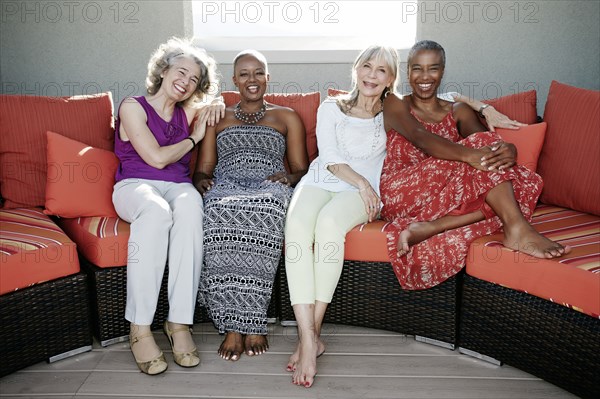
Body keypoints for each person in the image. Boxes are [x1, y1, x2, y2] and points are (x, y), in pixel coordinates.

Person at [380, 40, 570, 291]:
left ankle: (433, 226)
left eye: (433, 68)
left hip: (444, 194)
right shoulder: (395, 103)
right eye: (417, 68)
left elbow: (486, 144)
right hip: (402, 192)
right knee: (500, 167)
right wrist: (474, 156)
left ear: (443, 71)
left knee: (523, 180)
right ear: (408, 72)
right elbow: (421, 138)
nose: (424, 76)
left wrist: (508, 150)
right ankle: (516, 227)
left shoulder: (458, 110)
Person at [283, 45, 399, 388]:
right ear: (356, 69)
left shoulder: (394, 112)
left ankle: (309, 337)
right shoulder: (331, 107)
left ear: (391, 79)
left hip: (361, 195)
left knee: (329, 226)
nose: (372, 75)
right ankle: (309, 340)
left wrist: (481, 106)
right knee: (298, 227)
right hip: (324, 179)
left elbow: (444, 99)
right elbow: (330, 157)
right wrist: (362, 182)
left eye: (381, 70)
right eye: (367, 66)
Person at [112, 37, 224, 375]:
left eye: (194, 79)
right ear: (163, 70)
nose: (186, 81)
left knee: (191, 210)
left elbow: (215, 101)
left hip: (177, 186)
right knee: (157, 213)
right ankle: (140, 328)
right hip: (134, 186)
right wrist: (193, 138)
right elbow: (157, 158)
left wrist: (213, 101)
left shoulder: (186, 110)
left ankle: (178, 323)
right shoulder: (132, 106)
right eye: (181, 71)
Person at [194, 50, 308, 362]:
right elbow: (203, 168)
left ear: (268, 77)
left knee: (268, 210)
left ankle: (253, 320)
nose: (252, 79)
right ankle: (234, 326)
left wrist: (287, 177)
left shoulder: (287, 117)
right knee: (216, 213)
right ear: (234, 81)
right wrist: (203, 181)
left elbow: (302, 169)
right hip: (227, 184)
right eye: (244, 74)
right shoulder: (219, 117)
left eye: (258, 72)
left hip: (269, 186)